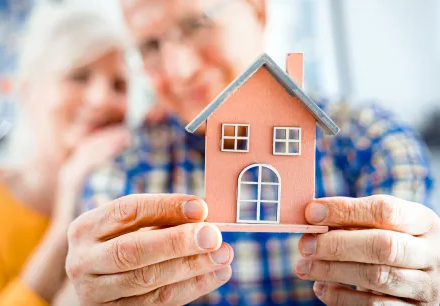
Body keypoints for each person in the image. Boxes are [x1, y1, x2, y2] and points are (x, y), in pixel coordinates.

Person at [64, 0, 439, 305]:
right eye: (150, 47)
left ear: (258, 11)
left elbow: (414, 270)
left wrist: (423, 286)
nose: (180, 70)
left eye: (197, 24)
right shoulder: (123, 171)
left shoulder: (372, 141)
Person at [0, 3, 131, 305]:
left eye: (119, 84)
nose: (103, 99)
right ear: (28, 91)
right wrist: (65, 221)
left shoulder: (128, 203)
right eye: (79, 76)